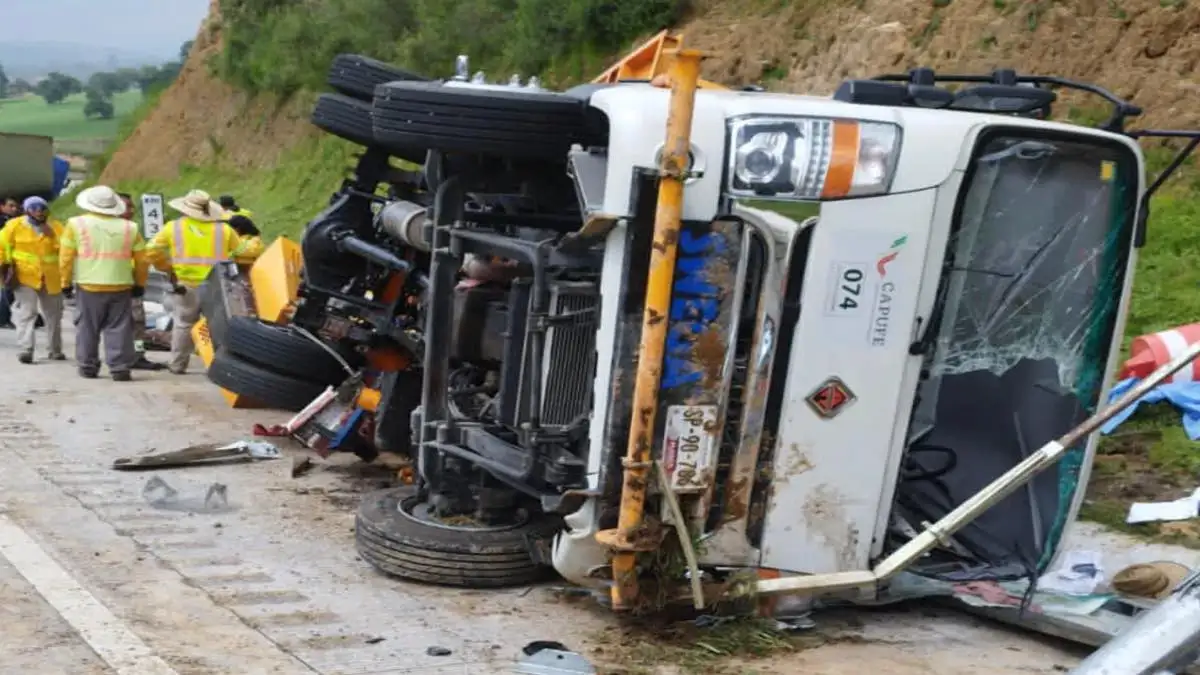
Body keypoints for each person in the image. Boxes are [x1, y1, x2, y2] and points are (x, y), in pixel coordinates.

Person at [59, 186, 149, 381]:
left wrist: (64, 283)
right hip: (121, 285)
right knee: (120, 327)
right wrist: (139, 283)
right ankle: (119, 367)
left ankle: (88, 366)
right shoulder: (130, 227)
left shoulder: (76, 224)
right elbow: (143, 261)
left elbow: (65, 258)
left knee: (87, 328)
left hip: (88, 285)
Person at [148, 189, 242, 375]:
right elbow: (240, 252)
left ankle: (177, 364)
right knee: (216, 325)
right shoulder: (225, 230)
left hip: (186, 284)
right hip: (217, 285)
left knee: (183, 324)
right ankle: (219, 366)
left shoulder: (173, 228)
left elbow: (151, 251)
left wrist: (167, 267)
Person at [0, 196, 65, 363]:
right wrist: (3, 267)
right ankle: (26, 349)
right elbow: (2, 246)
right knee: (27, 312)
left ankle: (55, 350)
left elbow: (66, 250)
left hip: (50, 277)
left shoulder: (56, 227)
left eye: (42, 209)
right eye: (35, 208)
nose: (39, 212)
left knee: (54, 315)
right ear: (27, 209)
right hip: (24, 276)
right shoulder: (14, 226)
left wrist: (52, 236)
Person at [117, 193, 165, 371]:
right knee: (135, 323)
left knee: (134, 325)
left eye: (131, 207)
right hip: (126, 283)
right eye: (126, 207)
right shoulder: (130, 230)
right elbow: (142, 260)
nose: (131, 211)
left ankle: (131, 356)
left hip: (112, 284)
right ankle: (132, 357)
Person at [0, 197, 19, 330]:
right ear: (2, 206)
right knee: (7, 290)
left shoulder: (12, 221)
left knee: (9, 290)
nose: (14, 209)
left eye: (15, 206)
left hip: (9, 259)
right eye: (10, 206)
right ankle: (3, 318)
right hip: (4, 260)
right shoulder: (3, 222)